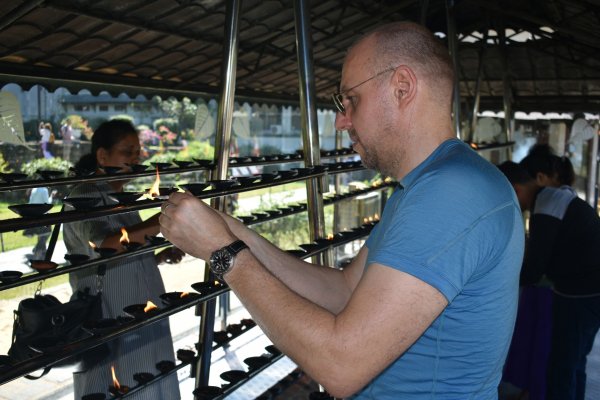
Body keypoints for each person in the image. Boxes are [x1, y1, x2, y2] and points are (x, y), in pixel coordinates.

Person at [160, 22, 524, 399]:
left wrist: (225, 256)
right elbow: (345, 291)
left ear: (402, 87)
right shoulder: (422, 188)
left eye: (350, 100)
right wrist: (232, 232)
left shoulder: (451, 192)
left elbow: (341, 365)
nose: (341, 120)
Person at [63, 119, 182, 400]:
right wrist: (161, 221)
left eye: (137, 153)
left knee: (149, 377)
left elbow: (128, 250)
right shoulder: (84, 196)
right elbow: (104, 243)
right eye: (127, 152)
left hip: (143, 308)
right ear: (102, 156)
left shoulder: (120, 198)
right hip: (109, 313)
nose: (135, 159)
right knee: (118, 382)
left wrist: (158, 256)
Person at [498, 161, 600, 400]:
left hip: (581, 294)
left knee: (561, 366)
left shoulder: (547, 204)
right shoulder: (555, 197)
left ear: (515, 188)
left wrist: (498, 281)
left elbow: (534, 267)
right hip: (590, 289)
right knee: (575, 363)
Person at [25, 187, 55, 260]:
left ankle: (41, 254)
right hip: (44, 217)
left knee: (41, 236)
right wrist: (52, 196)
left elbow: (30, 203)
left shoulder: (34, 189)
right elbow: (47, 203)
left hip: (35, 216)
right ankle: (38, 252)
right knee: (45, 235)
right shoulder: (44, 190)